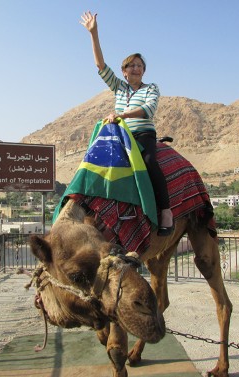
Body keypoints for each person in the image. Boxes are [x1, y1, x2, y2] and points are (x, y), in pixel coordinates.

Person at [80, 11, 173, 236]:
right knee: (95, 161)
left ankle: (166, 211)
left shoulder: (151, 88)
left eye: (140, 65)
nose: (136, 68)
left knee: (150, 162)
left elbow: (148, 110)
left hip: (142, 135)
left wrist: (123, 116)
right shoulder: (119, 87)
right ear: (124, 71)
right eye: (132, 65)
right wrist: (94, 33)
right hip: (121, 136)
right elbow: (101, 65)